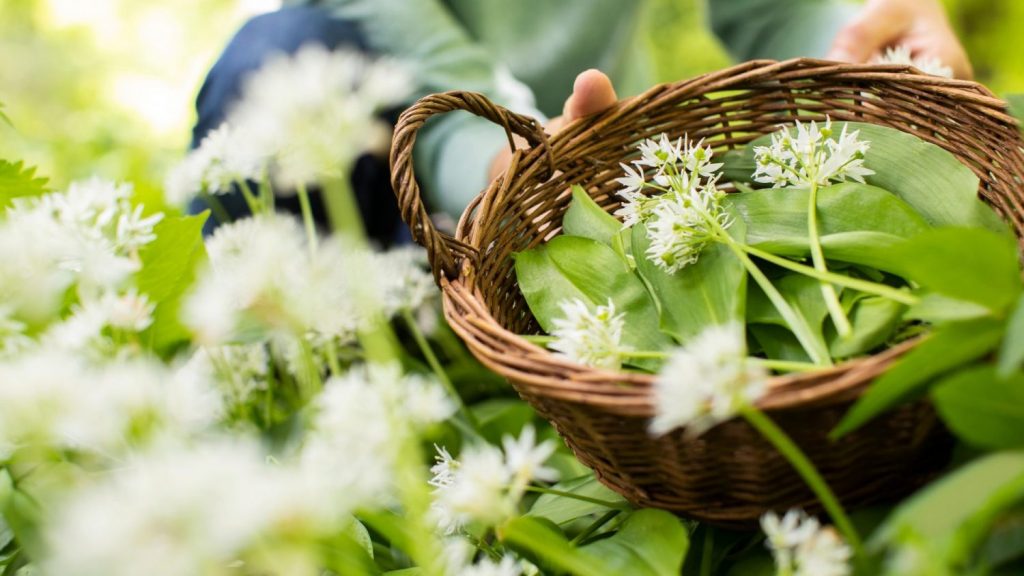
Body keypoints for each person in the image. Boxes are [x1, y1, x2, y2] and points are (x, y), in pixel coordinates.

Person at [188, 0, 972, 240]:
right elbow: (435, 84)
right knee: (273, 59)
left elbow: (780, 11)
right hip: (387, 133)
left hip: (585, 124)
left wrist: (868, 43)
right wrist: (514, 166)